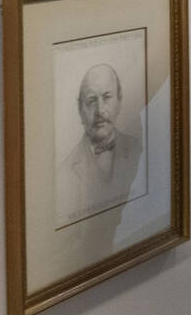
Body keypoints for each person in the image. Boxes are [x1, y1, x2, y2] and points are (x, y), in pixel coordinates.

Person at [57, 61, 143, 225]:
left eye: (107, 97)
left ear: (119, 101)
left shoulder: (138, 149)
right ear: (80, 109)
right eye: (91, 101)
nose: (100, 110)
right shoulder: (64, 173)